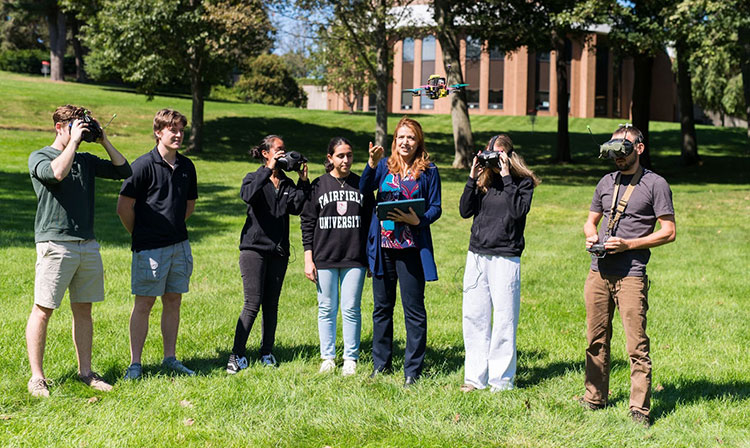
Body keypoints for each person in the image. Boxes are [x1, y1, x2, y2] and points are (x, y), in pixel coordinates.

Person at [26, 105, 131, 396]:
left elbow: (124, 170)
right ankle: (37, 377)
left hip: (87, 244)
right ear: (59, 127)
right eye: (72, 125)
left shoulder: (86, 160)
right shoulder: (40, 156)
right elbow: (56, 174)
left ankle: (86, 372)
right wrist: (72, 141)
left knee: (84, 310)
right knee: (43, 309)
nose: (78, 131)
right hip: (55, 243)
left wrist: (103, 140)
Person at [581, 124, 676, 427]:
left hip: (631, 273)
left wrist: (629, 244)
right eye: (614, 151)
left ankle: (639, 408)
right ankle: (594, 397)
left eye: (624, 150)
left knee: (636, 345)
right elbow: (590, 221)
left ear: (639, 148)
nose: (618, 158)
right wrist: (591, 235)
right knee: (596, 338)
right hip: (599, 271)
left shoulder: (655, 184)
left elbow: (669, 232)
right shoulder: (606, 181)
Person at [360, 116, 442, 387]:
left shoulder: (428, 170)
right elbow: (364, 190)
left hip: (411, 248)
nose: (405, 142)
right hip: (383, 248)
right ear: (394, 140)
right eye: (401, 137)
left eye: (411, 137)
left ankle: (412, 370)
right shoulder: (384, 166)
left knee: (413, 310)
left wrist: (419, 221)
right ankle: (380, 365)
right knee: (382, 308)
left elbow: (435, 207)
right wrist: (371, 163)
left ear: (419, 143)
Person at [117, 108, 198, 380]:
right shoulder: (141, 166)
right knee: (144, 304)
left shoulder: (187, 166)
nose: (178, 135)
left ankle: (170, 358)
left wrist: (172, 228)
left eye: (181, 130)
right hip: (149, 248)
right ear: (158, 132)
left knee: (173, 300)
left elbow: (189, 204)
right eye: (172, 130)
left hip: (179, 246)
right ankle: (135, 364)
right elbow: (124, 207)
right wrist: (141, 233)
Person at [458, 134, 539, 393]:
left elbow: (517, 212)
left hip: (505, 255)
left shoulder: (522, 183)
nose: (494, 160)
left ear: (509, 156)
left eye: (499, 155)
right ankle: (474, 378)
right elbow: (464, 210)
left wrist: (506, 176)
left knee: (504, 319)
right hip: (478, 254)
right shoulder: (483, 181)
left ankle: (501, 381)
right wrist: (472, 177)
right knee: (474, 317)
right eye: (491, 155)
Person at [226, 135, 310, 374]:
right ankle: (237, 355)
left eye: (285, 150)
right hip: (253, 250)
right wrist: (269, 170)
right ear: (266, 153)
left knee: (271, 305)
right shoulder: (254, 177)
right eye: (279, 150)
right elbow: (247, 195)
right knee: (252, 303)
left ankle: (267, 352)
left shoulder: (286, 183)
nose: (284, 154)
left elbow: (297, 208)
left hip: (279, 251)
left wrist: (303, 181)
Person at [300, 137, 374, 376]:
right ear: (330, 158)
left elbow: (371, 222)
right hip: (325, 257)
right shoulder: (318, 185)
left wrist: (371, 257)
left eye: (349, 155)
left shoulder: (361, 184)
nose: (346, 160)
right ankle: (328, 357)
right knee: (326, 308)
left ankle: (351, 357)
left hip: (355, 257)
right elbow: (308, 223)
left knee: (351, 308)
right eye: (340, 155)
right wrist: (308, 258)